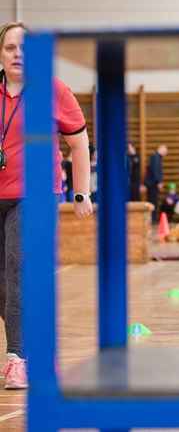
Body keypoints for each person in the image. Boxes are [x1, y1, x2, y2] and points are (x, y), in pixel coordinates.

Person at [0, 22, 92, 390]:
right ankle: (39, 346)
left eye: (24, 47)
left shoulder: (53, 90)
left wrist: (82, 193)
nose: (18, 54)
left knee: (18, 269)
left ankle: (17, 358)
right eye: (10, 47)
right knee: (4, 285)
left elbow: (79, 144)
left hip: (35, 195)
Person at [144, 144, 168, 223]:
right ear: (160, 148)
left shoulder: (157, 157)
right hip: (152, 184)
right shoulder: (155, 157)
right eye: (165, 151)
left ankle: (153, 218)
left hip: (153, 183)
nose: (166, 153)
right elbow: (155, 170)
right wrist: (159, 181)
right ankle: (152, 219)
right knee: (152, 202)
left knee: (153, 201)